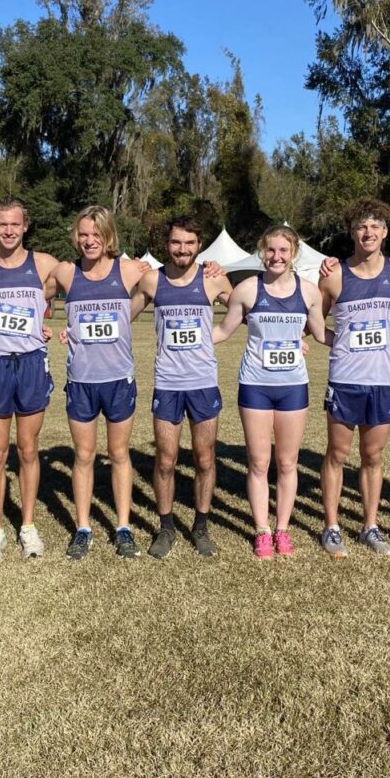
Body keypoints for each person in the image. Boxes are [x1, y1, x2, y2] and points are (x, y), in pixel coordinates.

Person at [212, 225, 331, 558]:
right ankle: (262, 531)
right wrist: (188, 342)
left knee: (288, 462)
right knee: (259, 463)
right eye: (271, 251)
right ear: (262, 252)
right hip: (256, 386)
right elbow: (222, 330)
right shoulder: (247, 290)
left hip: (293, 387)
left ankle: (282, 529)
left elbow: (320, 334)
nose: (276, 257)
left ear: (293, 253)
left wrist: (355, 342)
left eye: (283, 251)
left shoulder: (309, 292)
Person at [47, 206, 148, 560]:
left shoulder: (130, 269)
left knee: (119, 454)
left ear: (108, 236)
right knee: (84, 455)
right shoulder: (65, 272)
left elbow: (172, 282)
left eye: (96, 234)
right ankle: (84, 528)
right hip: (81, 382)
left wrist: (210, 269)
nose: (89, 241)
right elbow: (29, 294)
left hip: (118, 379)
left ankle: (123, 528)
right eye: (83, 234)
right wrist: (44, 326)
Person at [135, 216, 233, 559]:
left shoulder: (214, 279)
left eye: (189, 243)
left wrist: (295, 337)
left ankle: (201, 526)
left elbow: (250, 308)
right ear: (167, 245)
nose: (182, 249)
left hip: (203, 383)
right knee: (165, 460)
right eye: (176, 243)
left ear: (200, 245)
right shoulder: (151, 280)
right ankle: (166, 528)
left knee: (205, 459)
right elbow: (121, 314)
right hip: (167, 383)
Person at [318, 199, 390, 558]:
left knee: (373, 456)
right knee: (337, 454)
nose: (368, 232)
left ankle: (370, 526)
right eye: (361, 226)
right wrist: (335, 342)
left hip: (381, 381)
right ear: (351, 232)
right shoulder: (334, 275)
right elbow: (315, 321)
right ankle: (332, 527)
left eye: (375, 226)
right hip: (345, 380)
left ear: (385, 232)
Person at [0, 198, 58, 562]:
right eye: (2, 225)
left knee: (28, 449)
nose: (8, 231)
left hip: (32, 364)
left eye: (15, 225)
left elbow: (92, 269)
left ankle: (28, 526)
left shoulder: (44, 264)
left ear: (26, 227)